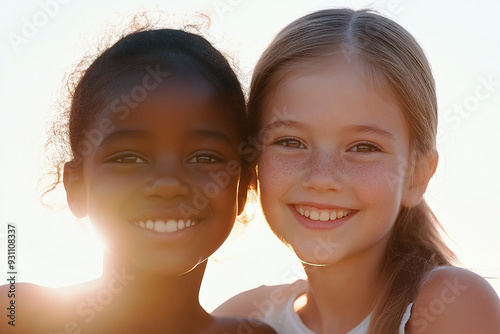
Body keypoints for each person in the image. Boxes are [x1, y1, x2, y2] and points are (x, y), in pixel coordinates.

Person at [213, 8, 500, 334]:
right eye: (290, 141)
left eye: (364, 147)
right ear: (253, 162)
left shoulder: (451, 305)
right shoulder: (247, 318)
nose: (321, 177)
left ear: (418, 175)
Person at [0, 27, 275, 334]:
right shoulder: (18, 316)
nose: (168, 184)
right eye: (128, 158)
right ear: (77, 187)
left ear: (242, 188)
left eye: (204, 157)